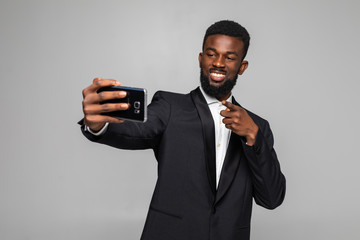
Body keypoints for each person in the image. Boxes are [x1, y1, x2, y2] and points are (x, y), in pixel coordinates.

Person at [80, 20, 286, 240]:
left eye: (229, 57)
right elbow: (136, 130)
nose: (218, 63)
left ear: (242, 67)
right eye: (211, 54)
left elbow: (271, 198)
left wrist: (253, 138)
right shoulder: (169, 106)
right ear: (200, 59)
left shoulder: (258, 126)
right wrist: (98, 124)